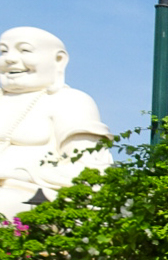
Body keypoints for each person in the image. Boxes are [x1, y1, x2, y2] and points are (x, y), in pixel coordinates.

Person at [0, 27, 112, 219]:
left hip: (38, 197)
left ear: (59, 60)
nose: (9, 58)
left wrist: (15, 173)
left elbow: (92, 171)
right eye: (3, 51)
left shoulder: (71, 101)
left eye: (24, 50)